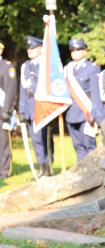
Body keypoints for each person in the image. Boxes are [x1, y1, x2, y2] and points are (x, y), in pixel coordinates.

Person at [19, 36, 53, 177]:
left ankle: (49, 165)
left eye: (32, 48)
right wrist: (22, 110)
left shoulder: (47, 65)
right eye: (28, 48)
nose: (29, 51)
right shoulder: (25, 66)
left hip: (44, 107)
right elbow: (23, 89)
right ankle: (42, 167)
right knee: (36, 139)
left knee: (46, 138)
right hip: (30, 107)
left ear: (40, 49)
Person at [64, 38, 103, 161]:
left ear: (85, 51)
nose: (75, 52)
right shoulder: (67, 69)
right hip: (71, 113)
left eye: (78, 49)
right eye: (72, 50)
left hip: (86, 114)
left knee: (89, 146)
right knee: (78, 147)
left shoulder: (92, 68)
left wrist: (95, 113)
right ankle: (81, 173)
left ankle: (92, 174)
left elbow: (96, 94)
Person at [0, 39, 18, 179]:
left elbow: (10, 89)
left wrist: (7, 110)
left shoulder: (6, 67)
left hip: (2, 111)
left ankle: (5, 171)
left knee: (3, 143)